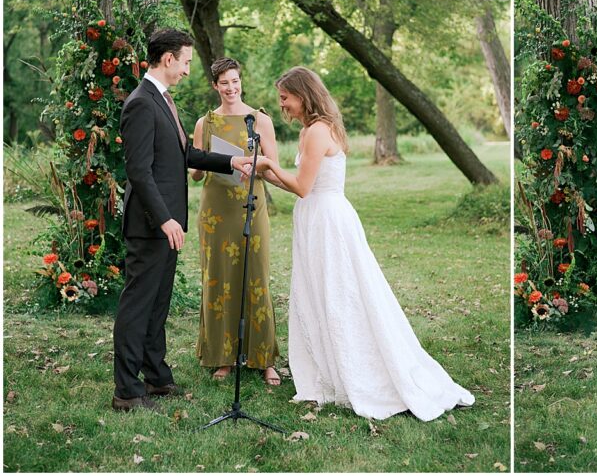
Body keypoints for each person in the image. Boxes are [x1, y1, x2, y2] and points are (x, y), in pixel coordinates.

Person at [252, 66, 475, 420]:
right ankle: (329, 369)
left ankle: (356, 372)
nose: (282, 105)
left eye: (286, 97)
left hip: (326, 220)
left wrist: (267, 165)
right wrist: (265, 173)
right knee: (320, 292)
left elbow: (303, 188)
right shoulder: (315, 129)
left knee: (339, 294)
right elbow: (298, 184)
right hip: (317, 216)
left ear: (303, 94)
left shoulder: (318, 131)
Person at [113, 29, 251, 412]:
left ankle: (156, 377)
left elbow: (184, 153)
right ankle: (126, 390)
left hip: (168, 225)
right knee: (138, 306)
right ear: (169, 60)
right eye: (187, 62)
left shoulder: (163, 101)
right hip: (151, 226)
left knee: (158, 304)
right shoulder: (141, 103)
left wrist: (229, 161)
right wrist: (164, 220)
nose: (189, 70)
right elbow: (139, 172)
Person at [190, 58, 281, 385]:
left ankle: (264, 357)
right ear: (215, 85)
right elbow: (196, 170)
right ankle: (222, 356)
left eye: (235, 81)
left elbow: (272, 165)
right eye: (224, 83)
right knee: (219, 278)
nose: (231, 88)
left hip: (249, 205)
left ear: (241, 81)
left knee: (255, 275)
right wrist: (202, 166)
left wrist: (249, 165)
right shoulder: (206, 122)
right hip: (216, 210)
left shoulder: (259, 120)